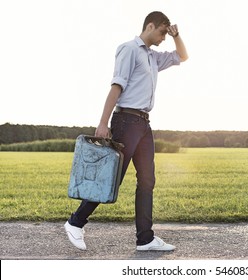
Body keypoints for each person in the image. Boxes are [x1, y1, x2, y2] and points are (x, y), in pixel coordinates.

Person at [64, 11, 188, 251]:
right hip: (126, 120)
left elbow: (183, 56)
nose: (164, 36)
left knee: (147, 180)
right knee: (113, 178)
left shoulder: (153, 57)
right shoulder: (129, 49)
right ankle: (75, 222)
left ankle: (145, 239)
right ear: (150, 26)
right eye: (162, 31)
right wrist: (103, 123)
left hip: (143, 124)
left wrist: (176, 35)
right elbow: (116, 86)